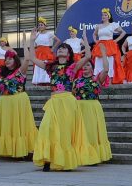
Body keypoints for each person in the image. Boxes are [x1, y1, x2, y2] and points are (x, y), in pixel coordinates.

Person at [27, 29, 91, 172]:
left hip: (68, 101)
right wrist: (32, 41)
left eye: (64, 48)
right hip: (54, 100)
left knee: (63, 131)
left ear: (68, 54)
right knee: (46, 128)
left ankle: (63, 160)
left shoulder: (73, 67)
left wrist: (85, 39)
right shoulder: (51, 67)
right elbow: (32, 58)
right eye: (60, 48)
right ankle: (47, 158)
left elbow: (88, 56)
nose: (61, 49)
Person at [0, 39, 37, 160]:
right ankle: (6, 150)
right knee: (6, 126)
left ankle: (20, 150)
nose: (7, 61)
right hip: (5, 103)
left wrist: (25, 43)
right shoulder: (3, 73)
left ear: (15, 60)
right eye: (6, 59)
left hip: (18, 101)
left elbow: (27, 59)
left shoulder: (20, 71)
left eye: (10, 59)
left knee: (18, 125)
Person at [73, 41, 112, 165]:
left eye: (88, 65)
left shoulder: (97, 78)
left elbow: (106, 69)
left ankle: (93, 156)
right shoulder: (76, 80)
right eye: (84, 65)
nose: (85, 67)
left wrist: (104, 53)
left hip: (92, 108)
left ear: (92, 67)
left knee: (91, 132)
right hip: (79, 107)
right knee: (81, 132)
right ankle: (81, 155)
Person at [92, 8, 125, 84]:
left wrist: (115, 40)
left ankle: (109, 83)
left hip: (109, 46)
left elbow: (123, 32)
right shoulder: (98, 26)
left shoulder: (113, 25)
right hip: (100, 45)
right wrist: (95, 41)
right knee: (98, 62)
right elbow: (94, 34)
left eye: (105, 15)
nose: (103, 16)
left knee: (109, 63)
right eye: (102, 15)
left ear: (108, 16)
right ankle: (98, 82)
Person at [31, 18, 60, 85]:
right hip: (38, 52)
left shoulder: (49, 34)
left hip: (46, 52)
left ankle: (46, 81)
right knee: (38, 66)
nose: (40, 26)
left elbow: (58, 40)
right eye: (39, 25)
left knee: (46, 65)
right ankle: (39, 81)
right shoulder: (37, 34)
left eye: (41, 25)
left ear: (45, 26)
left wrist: (53, 48)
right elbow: (35, 43)